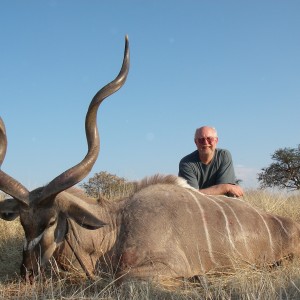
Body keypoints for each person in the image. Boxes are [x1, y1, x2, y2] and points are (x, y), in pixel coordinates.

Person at [178, 126, 244, 197]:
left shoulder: (224, 155)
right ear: (195, 142)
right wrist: (225, 187)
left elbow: (226, 194)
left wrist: (225, 188)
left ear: (216, 140)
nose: (205, 142)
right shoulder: (186, 163)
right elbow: (193, 196)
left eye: (209, 139)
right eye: (201, 140)